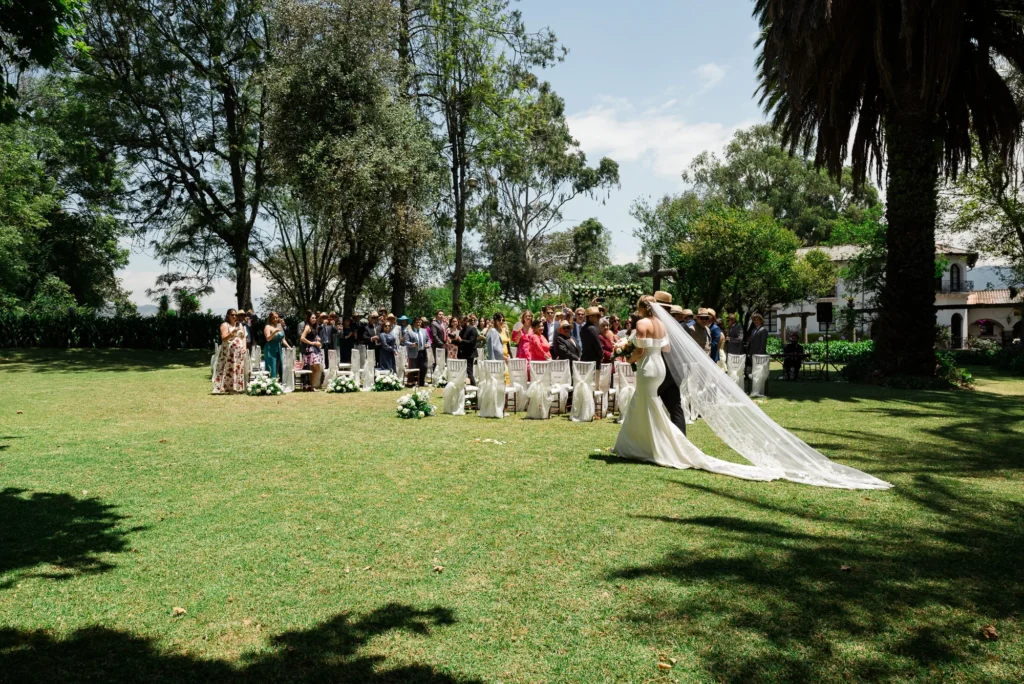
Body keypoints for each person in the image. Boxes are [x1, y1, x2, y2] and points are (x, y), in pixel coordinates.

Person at [613, 296, 777, 482]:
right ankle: (646, 444)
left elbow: (640, 351)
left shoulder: (642, 323)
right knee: (648, 403)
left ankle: (644, 445)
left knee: (644, 402)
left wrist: (628, 357)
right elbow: (666, 348)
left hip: (648, 367)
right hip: (659, 366)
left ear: (641, 307)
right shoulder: (662, 323)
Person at [653, 291, 687, 435]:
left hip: (658, 371)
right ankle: (682, 440)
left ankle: (643, 442)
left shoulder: (656, 324)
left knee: (644, 405)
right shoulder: (678, 325)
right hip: (675, 371)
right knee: (675, 408)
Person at [212, 309, 248, 394]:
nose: (234, 316)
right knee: (227, 369)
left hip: (238, 352)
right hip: (228, 353)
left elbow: (243, 337)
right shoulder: (224, 325)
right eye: (232, 315)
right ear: (228, 315)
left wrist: (244, 347)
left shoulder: (239, 325)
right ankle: (225, 387)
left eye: (235, 315)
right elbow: (224, 338)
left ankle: (237, 387)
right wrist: (232, 333)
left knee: (237, 368)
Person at [299, 311, 325, 390]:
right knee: (317, 368)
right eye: (312, 318)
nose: (314, 319)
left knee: (313, 369)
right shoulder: (307, 327)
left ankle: (311, 386)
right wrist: (312, 343)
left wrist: (317, 339)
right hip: (311, 350)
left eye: (315, 318)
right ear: (308, 319)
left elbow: (312, 336)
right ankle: (312, 386)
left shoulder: (313, 326)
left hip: (315, 349)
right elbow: (302, 338)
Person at [263, 311, 291, 381]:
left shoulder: (279, 326)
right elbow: (268, 338)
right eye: (273, 318)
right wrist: (274, 332)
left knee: (279, 365)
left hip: (278, 347)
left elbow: (283, 340)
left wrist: (288, 346)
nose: (275, 319)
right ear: (270, 319)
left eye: (276, 318)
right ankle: (271, 383)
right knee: (272, 365)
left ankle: (278, 382)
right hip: (270, 348)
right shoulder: (267, 327)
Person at [404, 316, 429, 386]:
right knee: (414, 368)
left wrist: (428, 344)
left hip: (423, 352)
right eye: (417, 322)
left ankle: (421, 382)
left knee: (424, 367)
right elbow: (405, 342)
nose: (419, 324)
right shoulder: (409, 332)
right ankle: (413, 383)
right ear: (414, 323)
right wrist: (412, 344)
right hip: (414, 353)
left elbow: (428, 340)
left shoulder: (424, 331)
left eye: (420, 322)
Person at [580, 306, 604, 375]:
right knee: (595, 383)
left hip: (585, 359)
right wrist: (601, 355)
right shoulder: (592, 329)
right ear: (590, 317)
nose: (599, 317)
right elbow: (597, 344)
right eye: (597, 316)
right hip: (593, 361)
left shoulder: (584, 328)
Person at [459, 314, 480, 385]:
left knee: (469, 372)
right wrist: (453, 340)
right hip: (463, 353)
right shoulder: (462, 330)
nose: (460, 324)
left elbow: (472, 342)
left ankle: (475, 387)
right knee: (463, 372)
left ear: (466, 321)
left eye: (462, 322)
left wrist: (461, 340)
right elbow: (460, 341)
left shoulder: (472, 329)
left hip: (470, 354)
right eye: (460, 323)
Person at [430, 310, 448, 376]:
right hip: (437, 345)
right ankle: (435, 376)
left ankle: (443, 376)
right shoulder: (433, 324)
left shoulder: (444, 324)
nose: (441, 316)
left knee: (444, 361)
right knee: (437, 361)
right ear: (436, 316)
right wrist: (442, 344)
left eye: (442, 314)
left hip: (445, 345)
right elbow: (435, 336)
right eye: (440, 314)